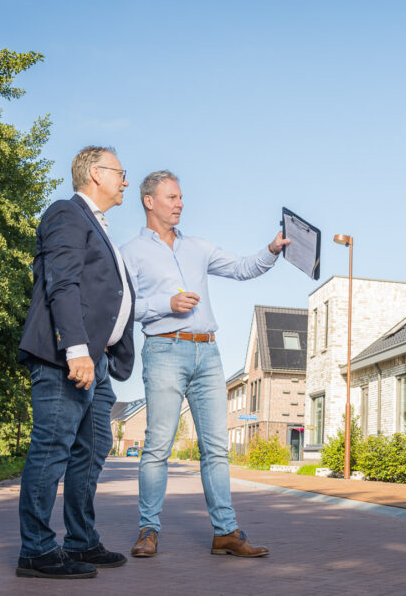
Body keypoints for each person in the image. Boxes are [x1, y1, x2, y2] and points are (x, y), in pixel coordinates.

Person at [120, 170, 289, 558]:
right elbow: (123, 306)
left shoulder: (198, 247)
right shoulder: (131, 253)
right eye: (172, 197)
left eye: (181, 197)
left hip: (208, 354)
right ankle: (148, 530)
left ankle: (226, 532)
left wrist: (272, 249)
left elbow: (243, 268)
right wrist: (166, 304)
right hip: (163, 350)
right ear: (149, 201)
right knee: (157, 446)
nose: (180, 204)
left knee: (216, 448)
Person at [15, 146, 136, 579]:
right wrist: (77, 349)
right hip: (66, 358)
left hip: (96, 361)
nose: (125, 181)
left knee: (93, 448)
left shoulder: (98, 225)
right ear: (96, 174)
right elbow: (61, 284)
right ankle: (36, 550)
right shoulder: (67, 213)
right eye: (120, 172)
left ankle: (81, 540)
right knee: (52, 447)